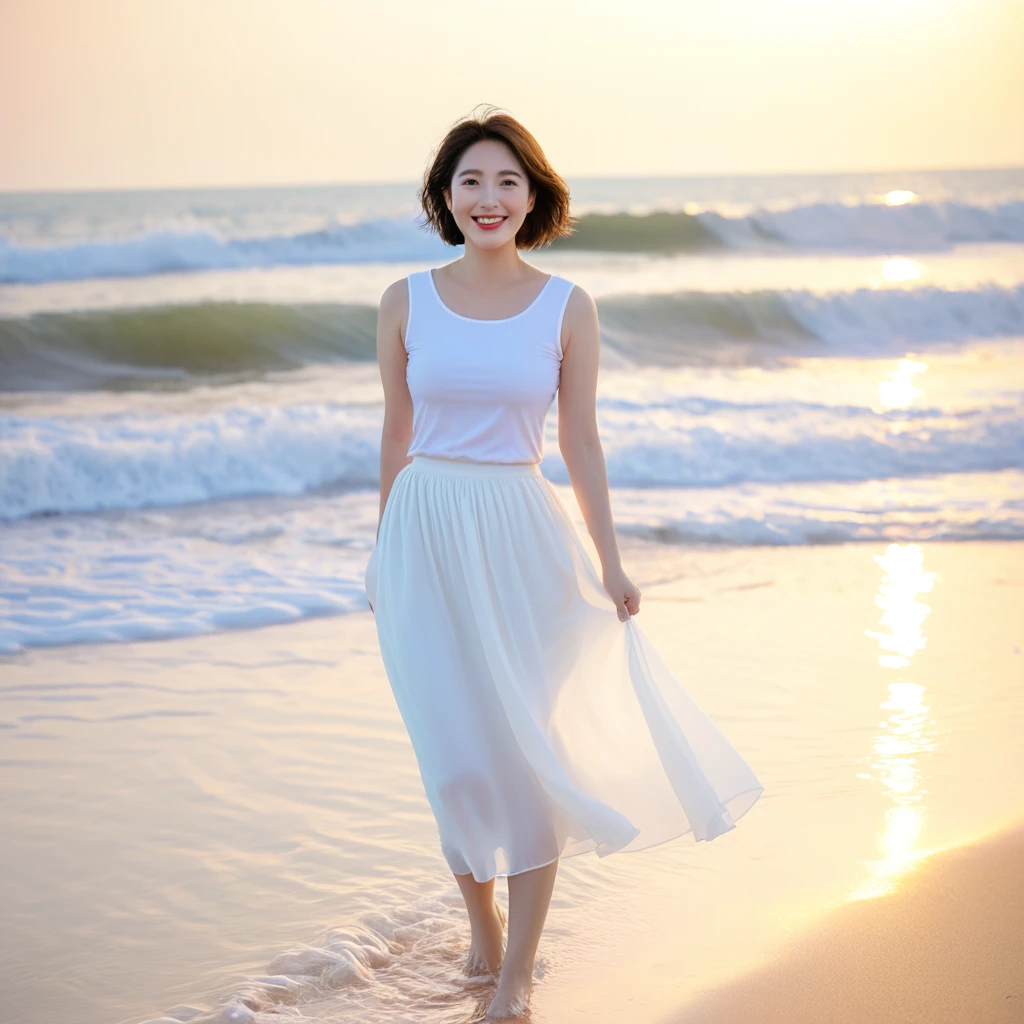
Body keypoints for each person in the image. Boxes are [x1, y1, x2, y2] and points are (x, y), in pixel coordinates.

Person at [365, 106, 763, 1020]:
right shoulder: (404, 299)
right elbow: (394, 433)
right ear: (445, 196)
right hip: (424, 529)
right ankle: (483, 928)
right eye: (471, 180)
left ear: (535, 195)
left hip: (522, 530)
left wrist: (613, 564)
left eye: (508, 180)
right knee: (453, 761)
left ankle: (516, 976)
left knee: (525, 754)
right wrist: (386, 550)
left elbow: (580, 441)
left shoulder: (565, 304)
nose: (489, 197)